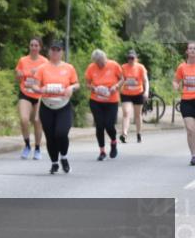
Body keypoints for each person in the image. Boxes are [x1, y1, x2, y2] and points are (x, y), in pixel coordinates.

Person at [31, 41, 79, 175]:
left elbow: (77, 84)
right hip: (47, 105)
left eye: (58, 50)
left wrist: (71, 87)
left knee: (61, 133)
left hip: (63, 105)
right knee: (50, 136)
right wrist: (41, 89)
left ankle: (63, 156)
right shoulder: (42, 68)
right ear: (49, 51)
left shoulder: (69, 68)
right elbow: (34, 86)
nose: (55, 52)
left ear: (62, 52)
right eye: (53, 49)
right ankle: (54, 163)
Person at [85, 49, 124, 161]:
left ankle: (113, 142)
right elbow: (87, 84)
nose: (100, 64)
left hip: (111, 101)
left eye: (101, 62)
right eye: (97, 62)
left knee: (109, 125)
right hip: (96, 101)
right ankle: (102, 151)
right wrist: (93, 88)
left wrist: (115, 87)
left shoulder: (114, 65)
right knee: (99, 125)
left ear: (105, 58)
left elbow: (122, 79)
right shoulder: (91, 68)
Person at [15, 38, 45, 160]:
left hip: (39, 95)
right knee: (23, 119)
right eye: (32, 45)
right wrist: (18, 74)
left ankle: (37, 148)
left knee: (37, 121)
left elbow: (48, 78)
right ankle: (27, 145)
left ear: (40, 47)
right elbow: (17, 75)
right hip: (25, 93)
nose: (33, 47)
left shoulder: (44, 62)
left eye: (36, 45)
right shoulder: (23, 60)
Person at [172, 40, 195, 166]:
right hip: (186, 101)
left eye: (194, 48)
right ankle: (193, 155)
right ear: (187, 51)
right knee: (190, 129)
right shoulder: (182, 67)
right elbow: (176, 80)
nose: (192, 50)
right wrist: (176, 85)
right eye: (190, 48)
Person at [119, 49, 149, 143]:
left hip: (138, 93)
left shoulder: (140, 67)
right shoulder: (123, 67)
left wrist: (146, 91)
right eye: (129, 58)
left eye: (132, 58)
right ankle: (124, 134)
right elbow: (121, 80)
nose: (130, 60)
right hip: (126, 93)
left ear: (136, 58)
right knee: (126, 113)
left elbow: (145, 81)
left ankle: (138, 133)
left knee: (137, 115)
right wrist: (116, 88)